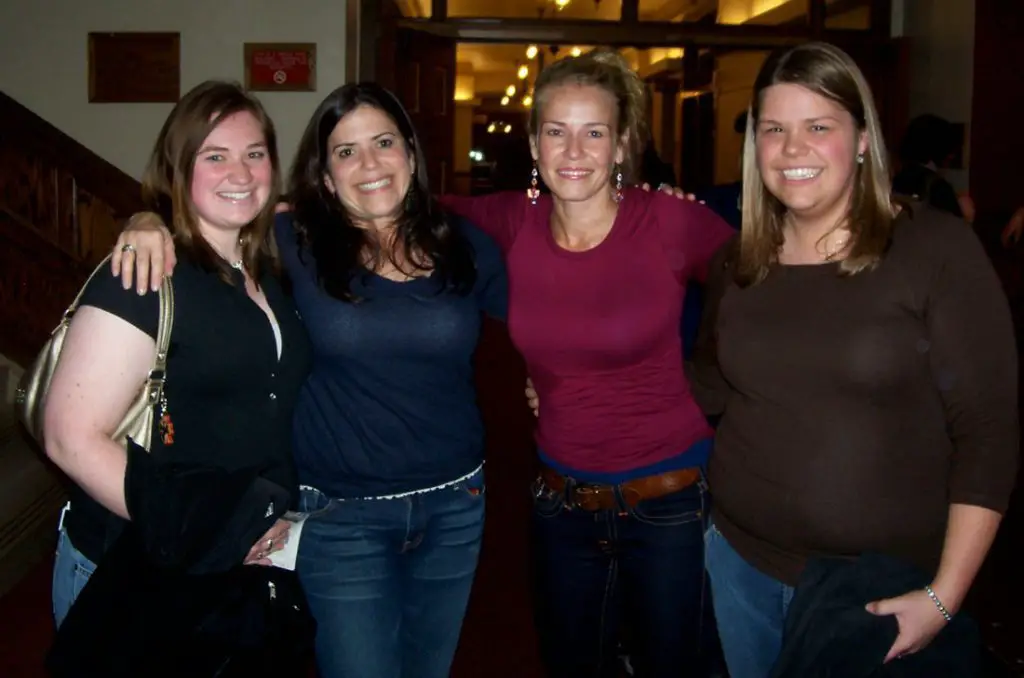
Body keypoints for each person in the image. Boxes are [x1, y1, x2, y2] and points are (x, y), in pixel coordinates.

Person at [109, 82, 507, 678]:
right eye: (346, 152)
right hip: (339, 516)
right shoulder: (289, 242)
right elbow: (208, 217)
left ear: (412, 155)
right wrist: (146, 219)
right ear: (324, 176)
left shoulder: (467, 245)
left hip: (457, 504)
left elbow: (547, 329)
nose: (369, 164)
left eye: (383, 143)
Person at [689, 42, 1018, 677]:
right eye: (774, 129)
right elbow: (707, 384)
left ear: (862, 138)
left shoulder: (933, 249)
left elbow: (988, 432)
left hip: (880, 588)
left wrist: (945, 596)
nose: (793, 149)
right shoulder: (738, 261)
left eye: (819, 127)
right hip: (738, 561)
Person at [439, 49, 733, 677]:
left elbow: (768, 273)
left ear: (622, 143)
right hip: (560, 504)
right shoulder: (514, 219)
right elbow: (392, 208)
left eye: (593, 132)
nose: (573, 151)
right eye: (556, 131)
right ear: (534, 144)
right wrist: (276, 216)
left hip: (670, 503)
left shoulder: (669, 220)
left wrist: (712, 379)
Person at [43, 80, 312, 668]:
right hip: (135, 563)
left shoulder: (268, 266)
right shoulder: (141, 275)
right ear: (178, 168)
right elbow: (68, 436)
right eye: (213, 156)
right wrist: (210, 530)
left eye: (254, 153)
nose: (239, 172)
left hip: (232, 571)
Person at [891, 113, 965, 219]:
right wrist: (966, 217)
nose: (952, 155)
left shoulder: (896, 180)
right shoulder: (938, 187)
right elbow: (952, 229)